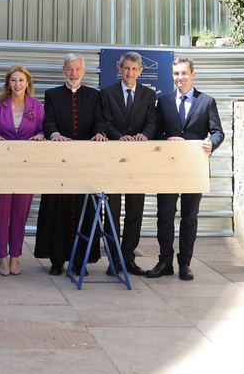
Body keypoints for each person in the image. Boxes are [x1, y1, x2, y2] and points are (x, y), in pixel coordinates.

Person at [144, 57, 223, 282]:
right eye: (176, 74)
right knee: (165, 216)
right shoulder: (164, 101)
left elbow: (218, 132)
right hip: (168, 168)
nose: (180, 78)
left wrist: (211, 143)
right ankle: (165, 261)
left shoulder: (206, 102)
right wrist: (167, 139)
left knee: (189, 217)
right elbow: (155, 130)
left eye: (184, 73)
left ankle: (185, 263)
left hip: (193, 168)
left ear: (193, 74)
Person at [33, 54, 107, 275]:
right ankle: (57, 260)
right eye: (69, 69)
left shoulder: (94, 95)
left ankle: (80, 260)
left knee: (85, 209)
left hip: (85, 161)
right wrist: (54, 133)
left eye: (77, 69)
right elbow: (48, 120)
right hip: (60, 162)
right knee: (57, 210)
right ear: (63, 71)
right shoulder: (53, 94)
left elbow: (99, 119)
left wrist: (100, 133)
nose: (73, 73)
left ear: (83, 71)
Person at [94, 51, 161, 276]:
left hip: (138, 161)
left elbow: (152, 122)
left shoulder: (148, 95)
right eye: (126, 68)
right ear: (120, 69)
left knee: (135, 209)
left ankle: (128, 258)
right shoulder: (107, 93)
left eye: (134, 69)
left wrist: (145, 135)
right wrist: (118, 136)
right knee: (111, 211)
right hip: (114, 158)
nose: (130, 72)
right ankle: (114, 260)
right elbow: (105, 122)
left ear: (141, 71)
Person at [0, 66, 45, 276]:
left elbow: (41, 129)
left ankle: (16, 257)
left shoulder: (36, 106)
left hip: (25, 167)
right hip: (2, 165)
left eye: (21, 80)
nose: (17, 84)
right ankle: (2, 257)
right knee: (1, 211)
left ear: (28, 83)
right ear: (8, 84)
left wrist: (40, 136)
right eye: (13, 81)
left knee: (20, 212)